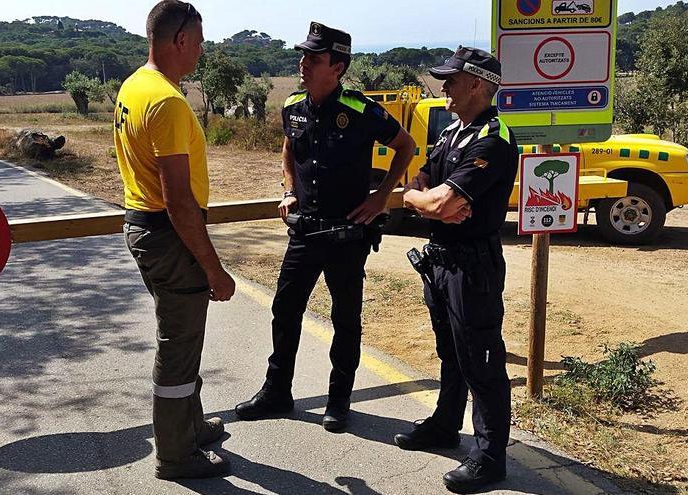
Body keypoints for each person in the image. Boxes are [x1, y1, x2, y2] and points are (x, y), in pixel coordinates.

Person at [234, 22, 416, 433]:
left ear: (337, 66)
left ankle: (339, 400)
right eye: (303, 56)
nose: (303, 64)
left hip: (345, 235)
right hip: (304, 232)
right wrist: (287, 188)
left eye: (313, 58)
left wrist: (381, 195)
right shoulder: (294, 105)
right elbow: (288, 146)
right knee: (285, 310)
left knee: (345, 320)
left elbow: (406, 146)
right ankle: (277, 390)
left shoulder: (360, 109)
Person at [113, 0, 235, 480]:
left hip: (145, 226)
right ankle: (176, 454)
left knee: (186, 337)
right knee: (178, 344)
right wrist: (213, 268)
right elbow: (179, 201)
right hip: (168, 234)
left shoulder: (135, 85)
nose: (202, 51)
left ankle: (193, 427)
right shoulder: (166, 101)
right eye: (200, 42)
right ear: (180, 40)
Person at [399, 46, 519, 493]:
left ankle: (490, 458)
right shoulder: (453, 133)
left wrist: (431, 204)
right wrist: (424, 202)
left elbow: (440, 200)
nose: (444, 87)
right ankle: (445, 425)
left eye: (451, 80)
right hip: (442, 261)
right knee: (450, 352)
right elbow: (419, 185)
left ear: (477, 85)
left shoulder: (493, 140)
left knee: (482, 361)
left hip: (474, 266)